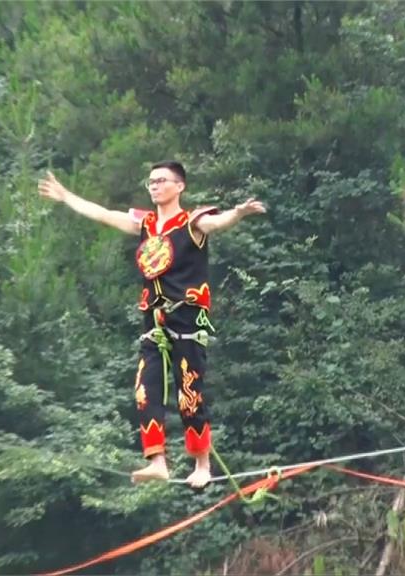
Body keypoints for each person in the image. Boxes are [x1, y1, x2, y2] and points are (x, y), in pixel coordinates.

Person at [38, 161, 266, 488]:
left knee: (189, 392)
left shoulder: (192, 221)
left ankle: (202, 465)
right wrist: (65, 196)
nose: (155, 186)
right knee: (145, 391)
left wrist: (238, 213)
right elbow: (103, 213)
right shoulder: (145, 223)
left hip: (187, 316)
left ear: (179, 186)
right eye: (151, 182)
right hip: (153, 320)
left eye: (161, 181)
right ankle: (157, 461)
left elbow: (218, 223)